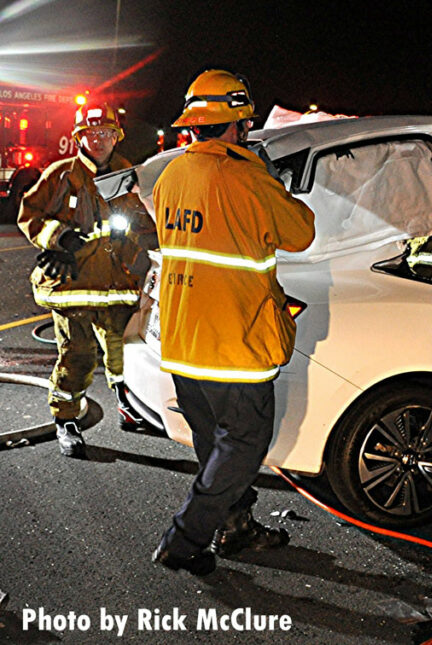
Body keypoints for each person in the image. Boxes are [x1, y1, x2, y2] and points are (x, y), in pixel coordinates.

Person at [151, 70, 315, 575]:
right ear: (239, 122)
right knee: (242, 448)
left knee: (215, 448)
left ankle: (235, 526)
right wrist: (268, 180)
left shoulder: (170, 176)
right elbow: (301, 233)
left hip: (184, 342)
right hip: (234, 345)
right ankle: (182, 539)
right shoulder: (247, 178)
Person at [18, 100, 154, 458]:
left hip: (118, 286)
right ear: (79, 137)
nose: (99, 140)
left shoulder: (128, 174)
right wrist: (59, 238)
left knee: (125, 354)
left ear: (116, 137)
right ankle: (66, 419)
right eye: (91, 133)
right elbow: (30, 214)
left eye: (106, 133)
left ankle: (130, 404)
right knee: (77, 357)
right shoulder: (62, 174)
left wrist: (145, 256)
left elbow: (144, 221)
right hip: (73, 287)